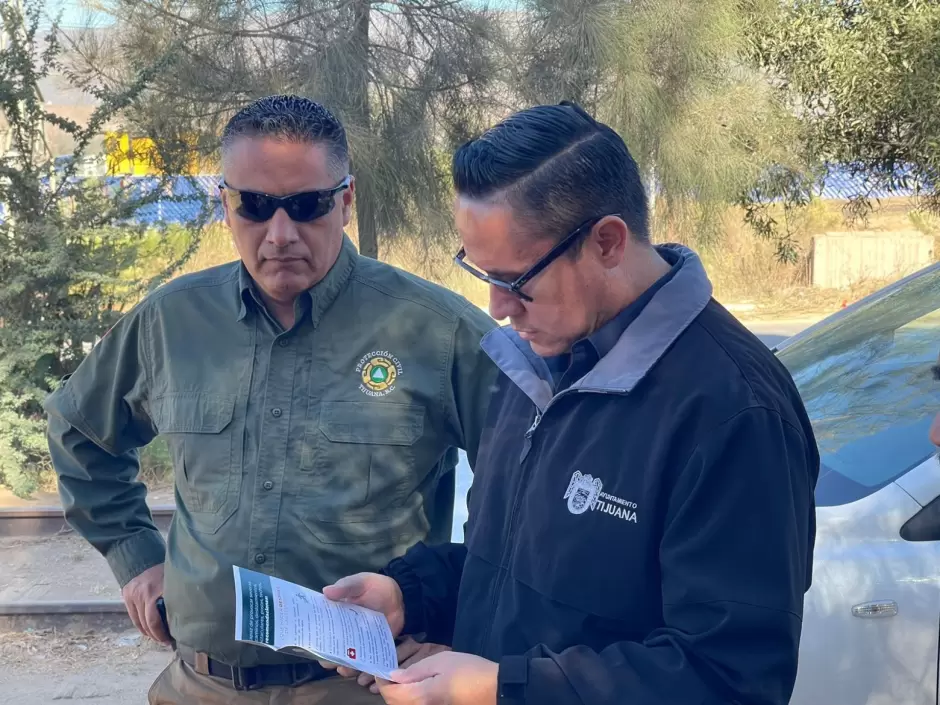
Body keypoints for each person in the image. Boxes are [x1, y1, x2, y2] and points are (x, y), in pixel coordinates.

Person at [320, 102, 821, 705]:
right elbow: (512, 573)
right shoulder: (530, 361)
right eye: (480, 274)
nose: (499, 308)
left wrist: (503, 689)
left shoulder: (732, 409)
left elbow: (728, 677)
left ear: (607, 241)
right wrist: (411, 595)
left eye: (516, 281)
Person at [43, 94, 498, 705]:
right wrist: (135, 554)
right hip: (200, 686)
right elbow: (80, 431)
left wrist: (461, 624)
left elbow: (532, 493)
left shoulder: (437, 331)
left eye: (307, 206)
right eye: (254, 206)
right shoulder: (171, 322)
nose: (280, 234)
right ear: (224, 203)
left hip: (364, 691)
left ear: (345, 200)